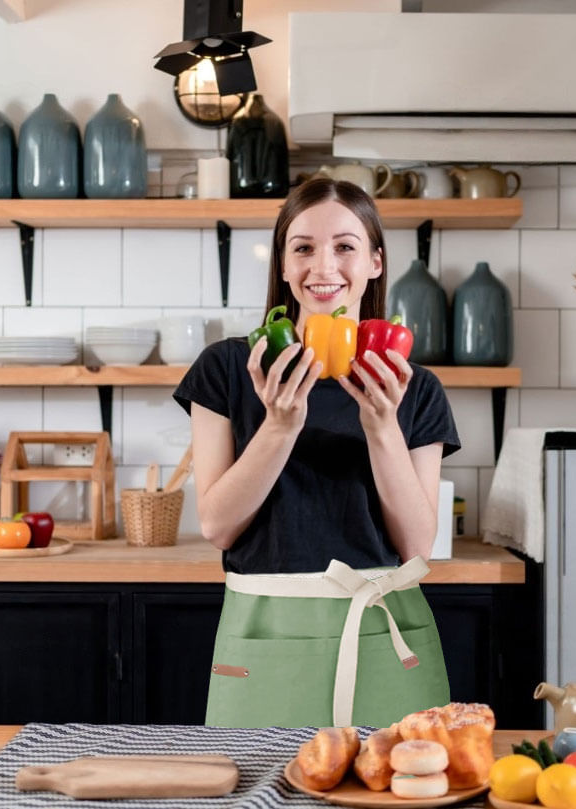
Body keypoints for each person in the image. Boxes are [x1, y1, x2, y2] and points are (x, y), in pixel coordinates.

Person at [173, 177, 461, 729]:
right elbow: (218, 526)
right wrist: (280, 425)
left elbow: (416, 544)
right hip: (265, 629)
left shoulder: (414, 388)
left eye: (345, 247)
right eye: (303, 247)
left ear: (375, 262)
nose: (322, 267)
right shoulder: (229, 369)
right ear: (283, 265)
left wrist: (381, 423)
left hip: (381, 627)